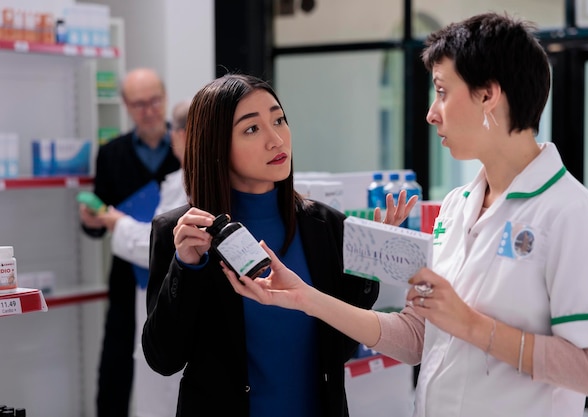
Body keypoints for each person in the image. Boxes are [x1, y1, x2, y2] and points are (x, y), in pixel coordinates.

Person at [221, 13, 588, 417]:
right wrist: (307, 299)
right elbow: (418, 337)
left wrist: (471, 325)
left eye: (443, 92)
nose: (432, 113)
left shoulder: (570, 214)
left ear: (488, 95)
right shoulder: (456, 206)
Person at [141, 73, 418, 416]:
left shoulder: (326, 226)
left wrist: (367, 263)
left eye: (279, 119)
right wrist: (186, 266)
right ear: (216, 146)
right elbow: (163, 358)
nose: (276, 139)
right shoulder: (182, 233)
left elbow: (339, 349)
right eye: (252, 129)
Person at [79, 67, 181, 417]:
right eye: (139, 104)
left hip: (176, 276)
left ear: (164, 98)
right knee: (116, 365)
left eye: (154, 101)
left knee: (173, 363)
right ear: (126, 106)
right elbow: (99, 217)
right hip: (127, 278)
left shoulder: (186, 150)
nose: (149, 110)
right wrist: (91, 221)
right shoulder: (111, 154)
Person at [95, 99, 191, 417]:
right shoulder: (176, 178)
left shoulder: (192, 182)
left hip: (176, 305)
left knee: (169, 392)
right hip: (145, 295)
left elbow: (160, 246)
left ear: (179, 134)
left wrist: (117, 224)